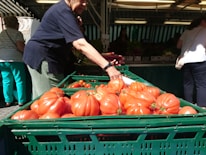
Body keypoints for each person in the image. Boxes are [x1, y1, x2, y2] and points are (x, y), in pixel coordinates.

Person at [23, 0, 121, 99]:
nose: (85, 4)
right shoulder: (63, 12)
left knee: (43, 97)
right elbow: (79, 44)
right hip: (44, 57)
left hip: (48, 56)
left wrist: (102, 58)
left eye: (86, 1)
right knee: (51, 99)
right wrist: (108, 67)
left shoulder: (67, 13)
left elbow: (74, 46)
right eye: (82, 0)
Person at [176, 15, 206, 107]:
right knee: (201, 85)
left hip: (186, 61)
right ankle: (202, 107)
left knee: (188, 84)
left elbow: (178, 46)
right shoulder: (205, 31)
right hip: (199, 60)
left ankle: (188, 106)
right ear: (202, 22)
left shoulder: (187, 31)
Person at [0, 16, 27, 107]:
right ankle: (21, 101)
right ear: (16, 24)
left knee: (6, 80)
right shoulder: (17, 33)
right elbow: (20, 47)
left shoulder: (1, 34)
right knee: (19, 80)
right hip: (15, 59)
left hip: (2, 60)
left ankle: (8, 101)